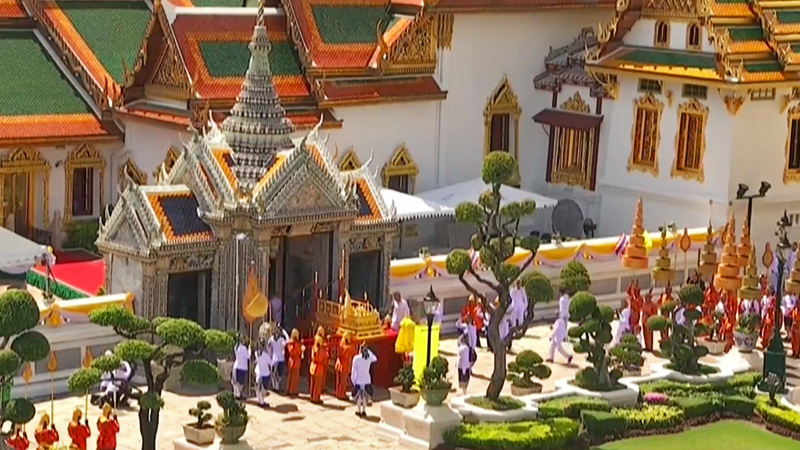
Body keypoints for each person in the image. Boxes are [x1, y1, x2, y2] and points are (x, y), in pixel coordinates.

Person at [350, 344, 377, 417]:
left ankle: (359, 410)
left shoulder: (356, 358)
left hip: (358, 379)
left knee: (358, 397)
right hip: (367, 379)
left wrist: (353, 379)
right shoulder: (368, 358)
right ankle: (364, 410)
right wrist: (369, 352)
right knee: (365, 397)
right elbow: (375, 358)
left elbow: (353, 370)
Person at [547, 288, 573, 363]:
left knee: (559, 348)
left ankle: (568, 356)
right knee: (552, 346)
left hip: (558, 337)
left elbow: (555, 330)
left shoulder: (559, 321)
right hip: (559, 335)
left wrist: (551, 336)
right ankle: (550, 357)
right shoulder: (559, 321)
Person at [335, 332, 358, 400]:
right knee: (343, 381)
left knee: (338, 380)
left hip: (338, 363)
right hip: (344, 365)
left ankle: (338, 393)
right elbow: (354, 351)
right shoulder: (349, 348)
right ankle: (342, 395)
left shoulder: (340, 344)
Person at [309, 334, 329, 404]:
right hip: (319, 368)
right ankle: (316, 398)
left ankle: (312, 396)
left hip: (313, 367)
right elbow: (324, 358)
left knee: (313, 383)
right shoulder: (320, 350)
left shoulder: (313, 348)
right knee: (317, 384)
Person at [268, 325, 289, 391]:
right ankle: (276, 386)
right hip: (280, 359)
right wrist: (285, 333)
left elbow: (268, 347)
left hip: (273, 359)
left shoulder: (271, 338)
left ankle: (274, 386)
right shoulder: (281, 340)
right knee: (279, 374)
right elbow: (287, 342)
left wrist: (269, 355)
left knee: (273, 374)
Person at [285, 329, 304, 397]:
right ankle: (290, 390)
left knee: (295, 378)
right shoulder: (291, 342)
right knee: (291, 377)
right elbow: (292, 351)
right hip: (293, 360)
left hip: (296, 361)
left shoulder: (297, 343)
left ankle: (293, 390)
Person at [254, 341, 272, 408]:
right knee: (263, 389)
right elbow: (271, 363)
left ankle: (259, 401)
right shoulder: (265, 355)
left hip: (259, 372)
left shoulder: (256, 353)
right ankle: (262, 402)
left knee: (258, 388)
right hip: (265, 373)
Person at [641, 288, 658, 352]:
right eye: (645, 297)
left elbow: (655, 313)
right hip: (644, 320)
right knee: (645, 334)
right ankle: (646, 346)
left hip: (649, 321)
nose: (646, 298)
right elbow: (643, 312)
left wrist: (649, 315)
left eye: (647, 297)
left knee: (649, 334)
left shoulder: (653, 305)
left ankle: (650, 347)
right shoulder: (644, 304)